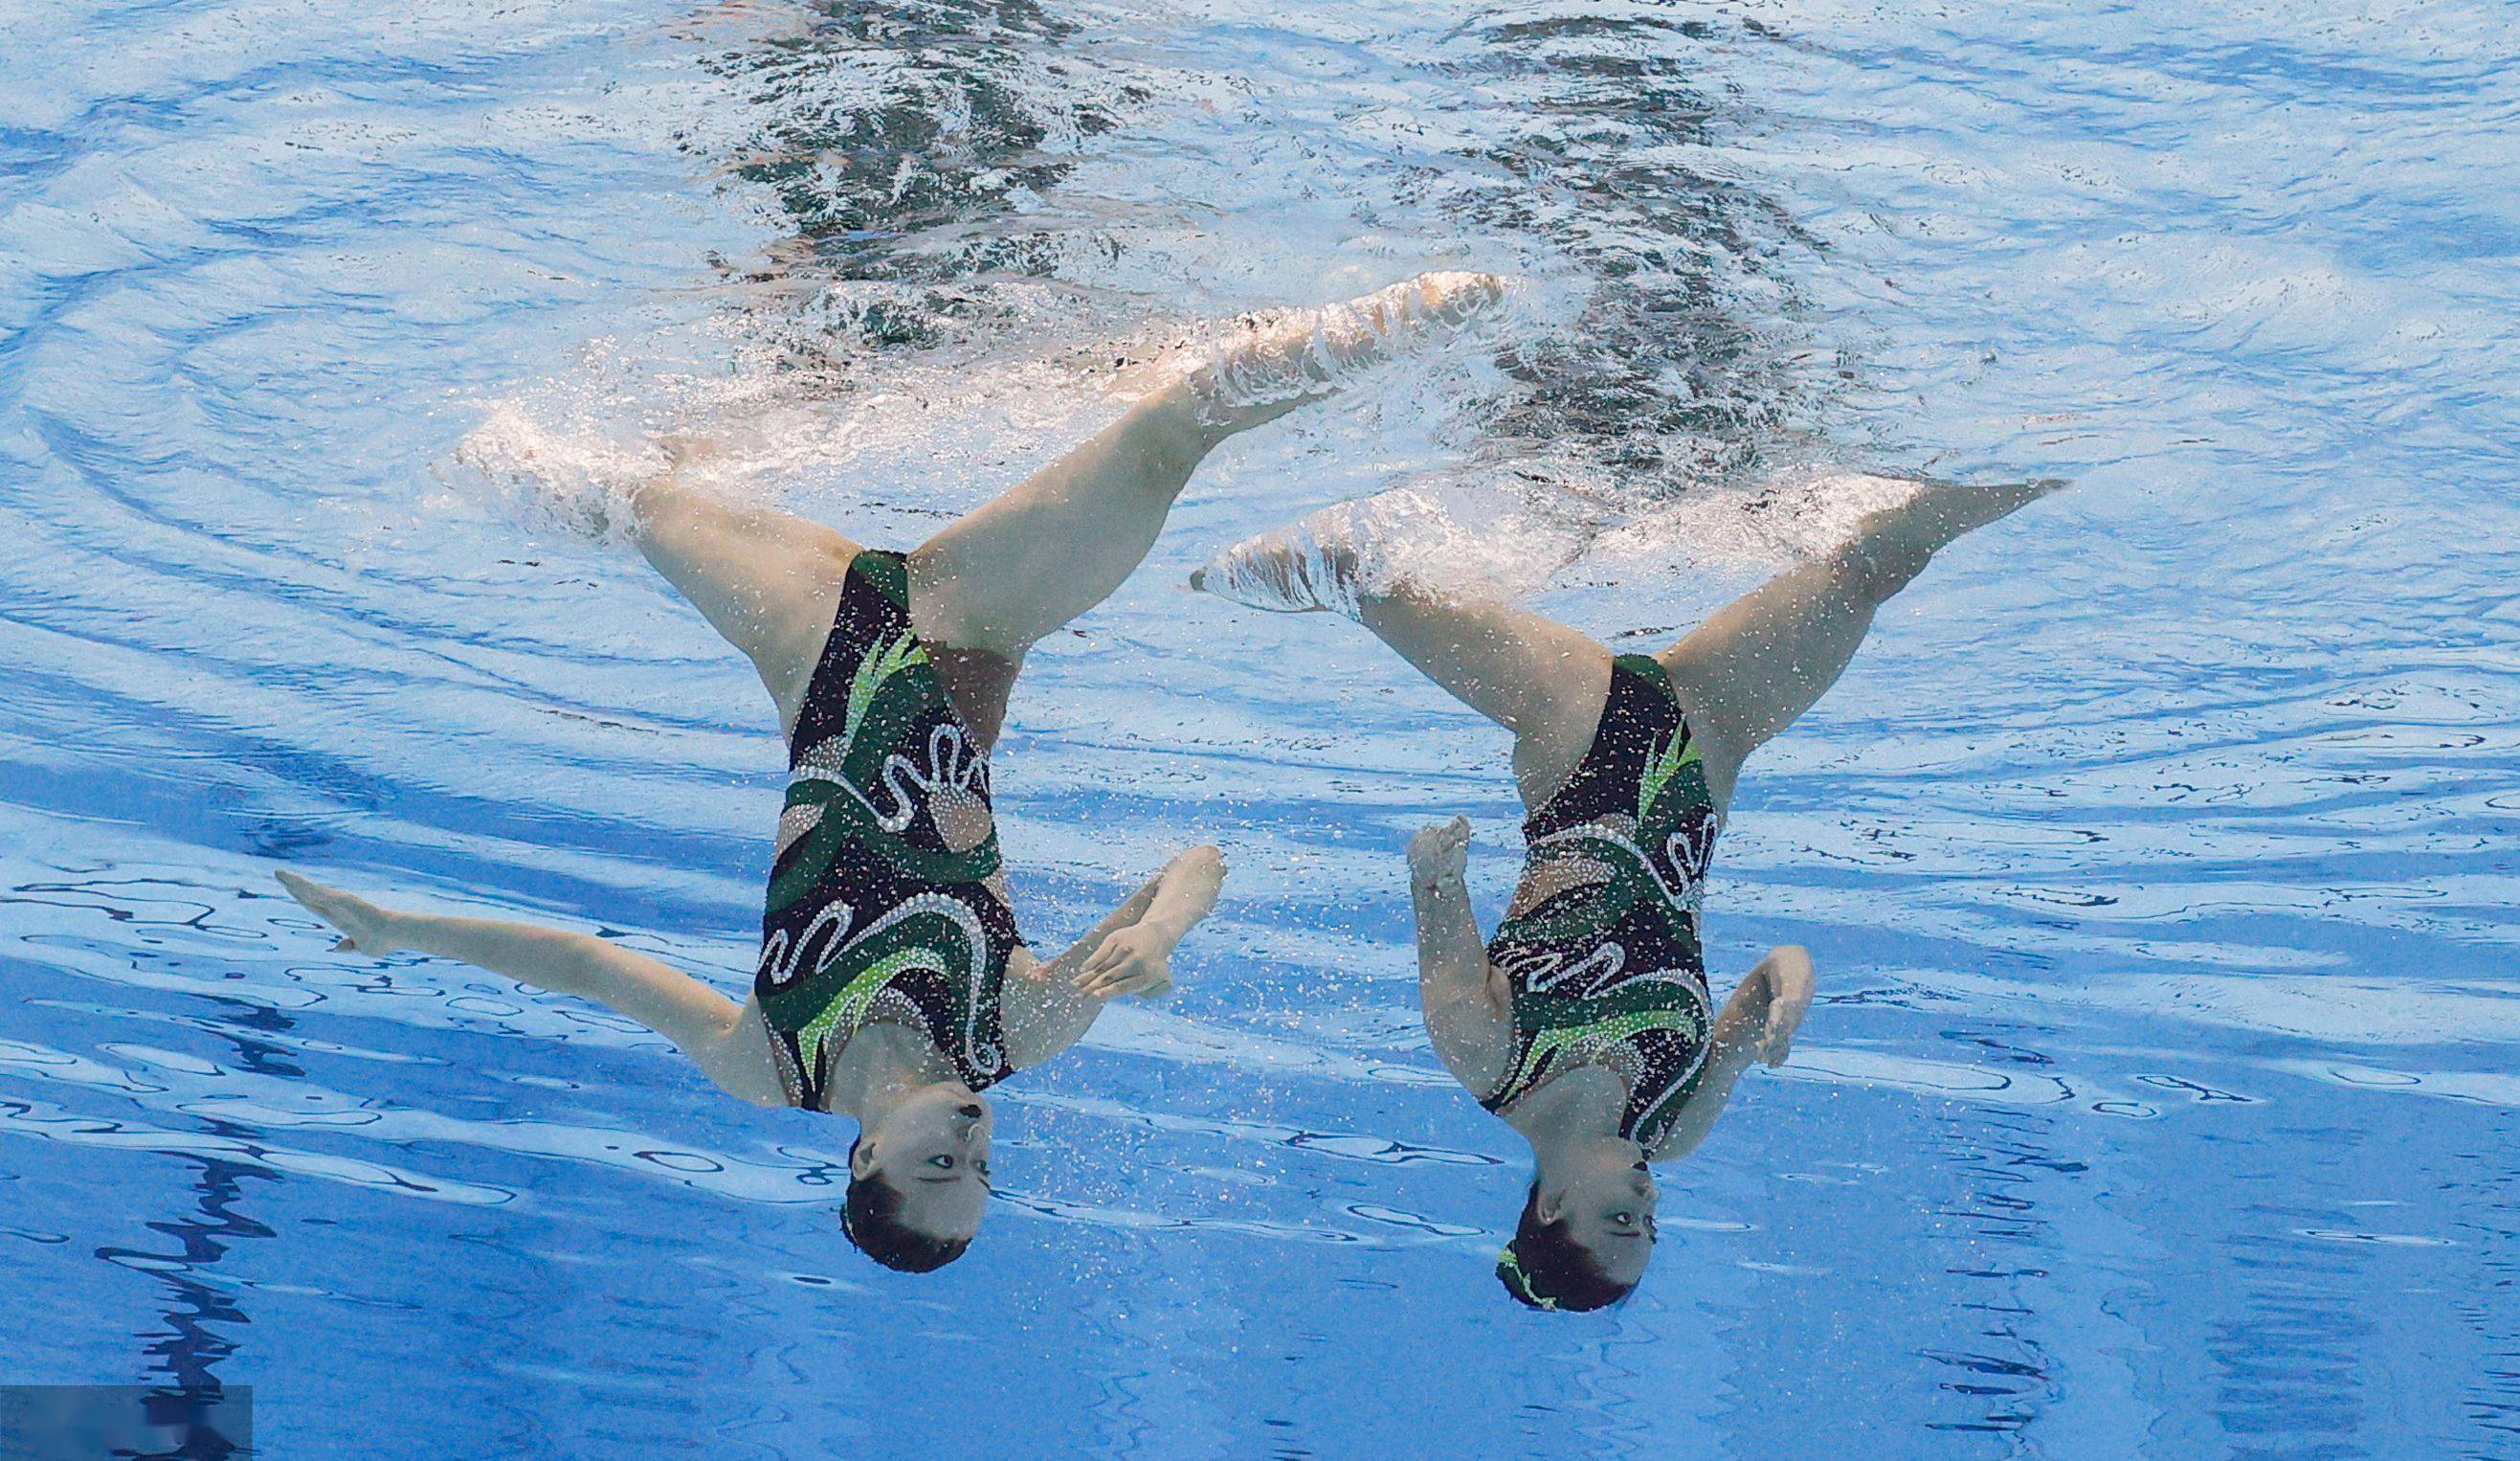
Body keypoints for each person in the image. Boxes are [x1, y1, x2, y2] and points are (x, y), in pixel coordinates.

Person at [277, 271, 1508, 1272]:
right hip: (969, 633)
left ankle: (734, 370)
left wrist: (401, 926)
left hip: (810, 641)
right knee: (1164, 438)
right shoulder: (1015, 1030)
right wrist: (1163, 929)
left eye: (938, 1168)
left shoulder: (769, 1062)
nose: (971, 1145)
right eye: (979, 1171)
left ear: (863, 1162)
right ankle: (1420, 317)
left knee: (619, 494)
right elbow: (1198, 860)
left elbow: (589, 965)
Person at [1193, 473, 2060, 1308]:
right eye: (1651, 1225)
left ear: (1551, 1209)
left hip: (1581, 737)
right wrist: (1788, 992)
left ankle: (1202, 553)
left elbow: (1435, 905)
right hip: (1709, 744)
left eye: (1619, 1220)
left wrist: (1436, 869)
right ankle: (2059, 463)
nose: (1645, 1203)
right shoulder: (1675, 1124)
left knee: (1360, 573)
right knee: (1873, 565)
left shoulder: (1490, 1057)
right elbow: (1766, 980)